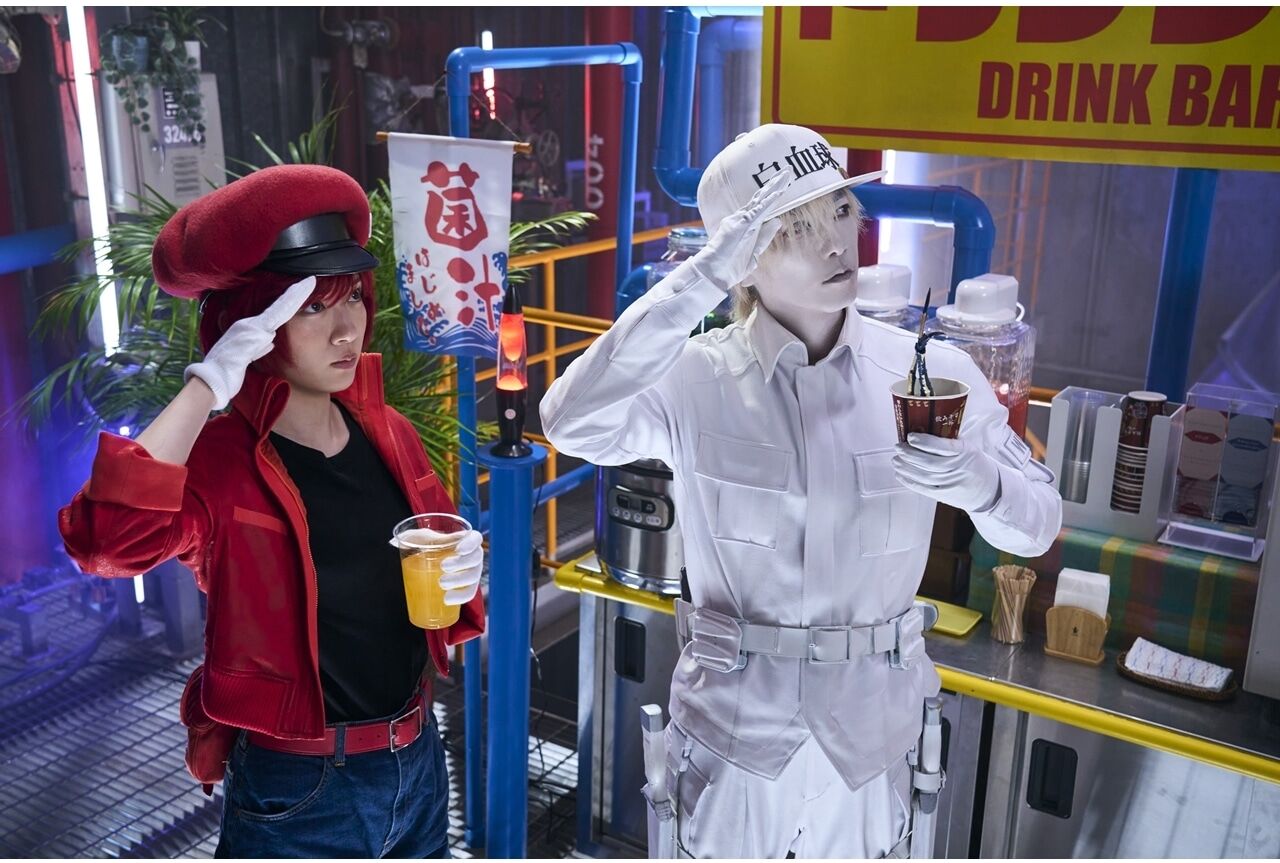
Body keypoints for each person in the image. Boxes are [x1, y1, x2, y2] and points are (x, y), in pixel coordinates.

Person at [541, 124, 1061, 858]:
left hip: (873, 742)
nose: (835, 244)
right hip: (732, 740)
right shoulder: (695, 377)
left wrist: (981, 482)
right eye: (795, 229)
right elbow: (569, 422)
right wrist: (697, 281)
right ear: (741, 262)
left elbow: (1037, 525)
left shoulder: (929, 373)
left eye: (841, 211)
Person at [58, 164, 485, 858]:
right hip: (301, 790)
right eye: (311, 308)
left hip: (416, 761)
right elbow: (103, 542)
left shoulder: (389, 431)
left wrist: (466, 568)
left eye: (352, 297)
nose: (346, 330)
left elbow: (435, 559)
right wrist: (208, 383)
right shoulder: (219, 461)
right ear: (253, 323)